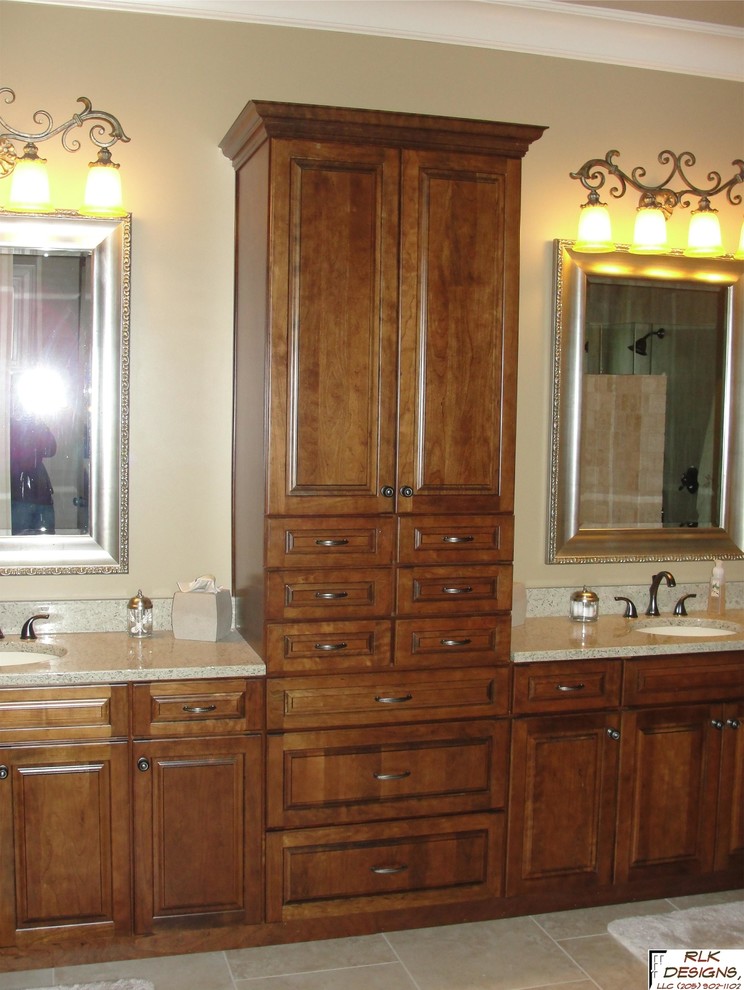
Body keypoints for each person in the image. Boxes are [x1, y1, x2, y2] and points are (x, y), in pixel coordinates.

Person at [10, 413, 57, 534]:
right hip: (19, 494)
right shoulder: (10, 424)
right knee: (20, 542)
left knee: (46, 540)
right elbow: (18, 455)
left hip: (41, 491)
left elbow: (50, 449)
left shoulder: (37, 425)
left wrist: (40, 425)